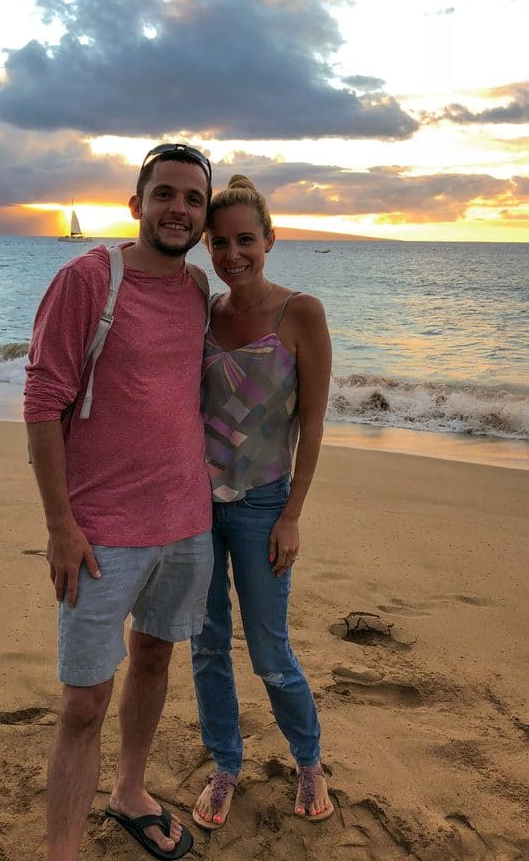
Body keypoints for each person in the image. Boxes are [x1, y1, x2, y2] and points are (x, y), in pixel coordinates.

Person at [24, 144, 215, 861]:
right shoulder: (86, 280)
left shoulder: (198, 291)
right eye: (164, 194)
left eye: (193, 199)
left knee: (156, 657)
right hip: (100, 532)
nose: (179, 209)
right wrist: (59, 525)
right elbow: (43, 402)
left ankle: (130, 788)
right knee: (82, 704)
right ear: (136, 205)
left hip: (187, 523)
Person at [190, 174, 334, 830]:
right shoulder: (203, 311)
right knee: (207, 644)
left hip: (262, 505)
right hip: (194, 506)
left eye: (245, 239)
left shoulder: (301, 313)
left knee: (271, 651)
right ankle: (226, 764)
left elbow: (312, 423)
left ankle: (308, 760)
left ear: (269, 240)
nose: (231, 254)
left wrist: (292, 514)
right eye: (219, 243)